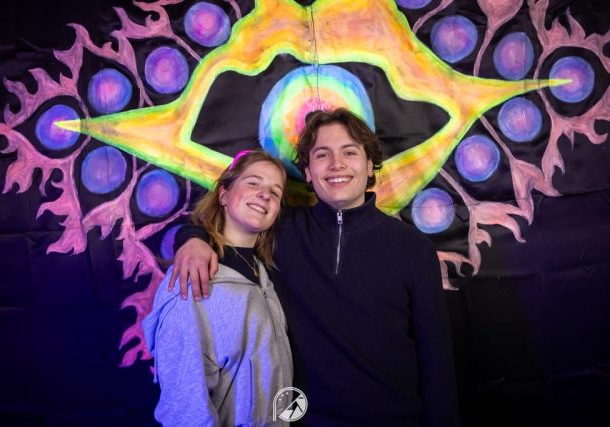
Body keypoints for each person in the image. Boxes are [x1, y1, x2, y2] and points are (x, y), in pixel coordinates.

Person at [172, 108, 461, 426]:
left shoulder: (413, 249)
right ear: (308, 172)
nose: (337, 164)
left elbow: (437, 362)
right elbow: (228, 219)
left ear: (369, 165)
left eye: (349, 152)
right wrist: (192, 240)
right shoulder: (281, 229)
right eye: (322, 155)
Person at [142, 150, 293, 426]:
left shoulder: (265, 275)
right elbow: (185, 409)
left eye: (275, 191)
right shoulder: (192, 280)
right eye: (253, 183)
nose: (265, 195)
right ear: (224, 195)